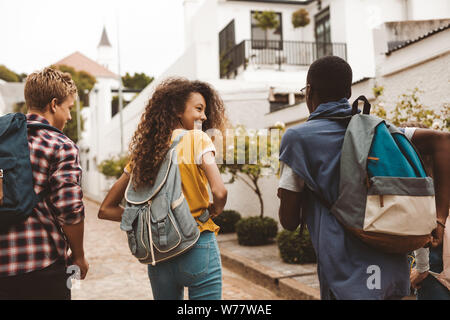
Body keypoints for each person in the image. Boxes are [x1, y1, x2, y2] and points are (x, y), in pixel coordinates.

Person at [277, 56, 450, 300]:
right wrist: (440, 218)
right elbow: (442, 140)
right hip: (393, 272)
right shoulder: (381, 129)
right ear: (348, 92)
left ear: (310, 92)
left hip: (345, 277)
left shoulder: (298, 139)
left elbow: (289, 220)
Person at [98, 78, 228, 300]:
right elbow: (220, 192)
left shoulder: (146, 151)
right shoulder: (198, 139)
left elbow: (106, 209)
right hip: (198, 244)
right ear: (178, 109)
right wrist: (215, 209)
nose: (204, 117)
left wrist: (150, 220)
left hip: (159, 253)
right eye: (199, 109)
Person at [0, 67, 88, 300]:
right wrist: (78, 256)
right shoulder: (60, 144)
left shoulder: (2, 137)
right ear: (54, 104)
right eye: (68, 108)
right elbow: (70, 210)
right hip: (43, 266)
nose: (69, 117)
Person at [399, 123, 450, 300]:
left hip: (434, 278)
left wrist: (421, 270)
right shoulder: (443, 185)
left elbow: (421, 227)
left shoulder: (419, 185)